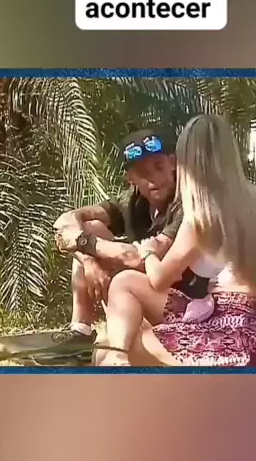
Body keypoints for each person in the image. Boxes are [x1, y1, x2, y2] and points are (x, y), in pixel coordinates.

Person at [96, 113, 256, 367]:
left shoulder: (202, 215)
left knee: (108, 347)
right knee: (125, 282)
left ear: (186, 164)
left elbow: (159, 279)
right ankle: (118, 358)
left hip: (226, 334)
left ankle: (117, 360)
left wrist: (148, 252)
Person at [53, 126, 215, 345]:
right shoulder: (132, 201)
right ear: (131, 178)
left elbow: (139, 257)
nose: (154, 178)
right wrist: (89, 260)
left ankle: (125, 343)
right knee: (92, 227)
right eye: (143, 172)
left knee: (117, 270)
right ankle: (81, 331)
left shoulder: (188, 202)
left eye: (158, 166)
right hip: (149, 294)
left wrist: (84, 243)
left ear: (172, 163)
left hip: (190, 305)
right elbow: (64, 222)